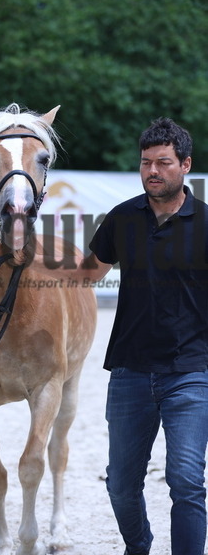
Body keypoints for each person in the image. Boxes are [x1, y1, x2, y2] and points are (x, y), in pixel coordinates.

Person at [37, 117, 208, 554]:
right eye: (146, 162)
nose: (153, 170)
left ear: (186, 165)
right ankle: (138, 546)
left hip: (191, 373)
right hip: (130, 372)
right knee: (120, 484)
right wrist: (34, 261)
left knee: (187, 480)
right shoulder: (123, 218)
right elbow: (86, 275)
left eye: (163, 162)